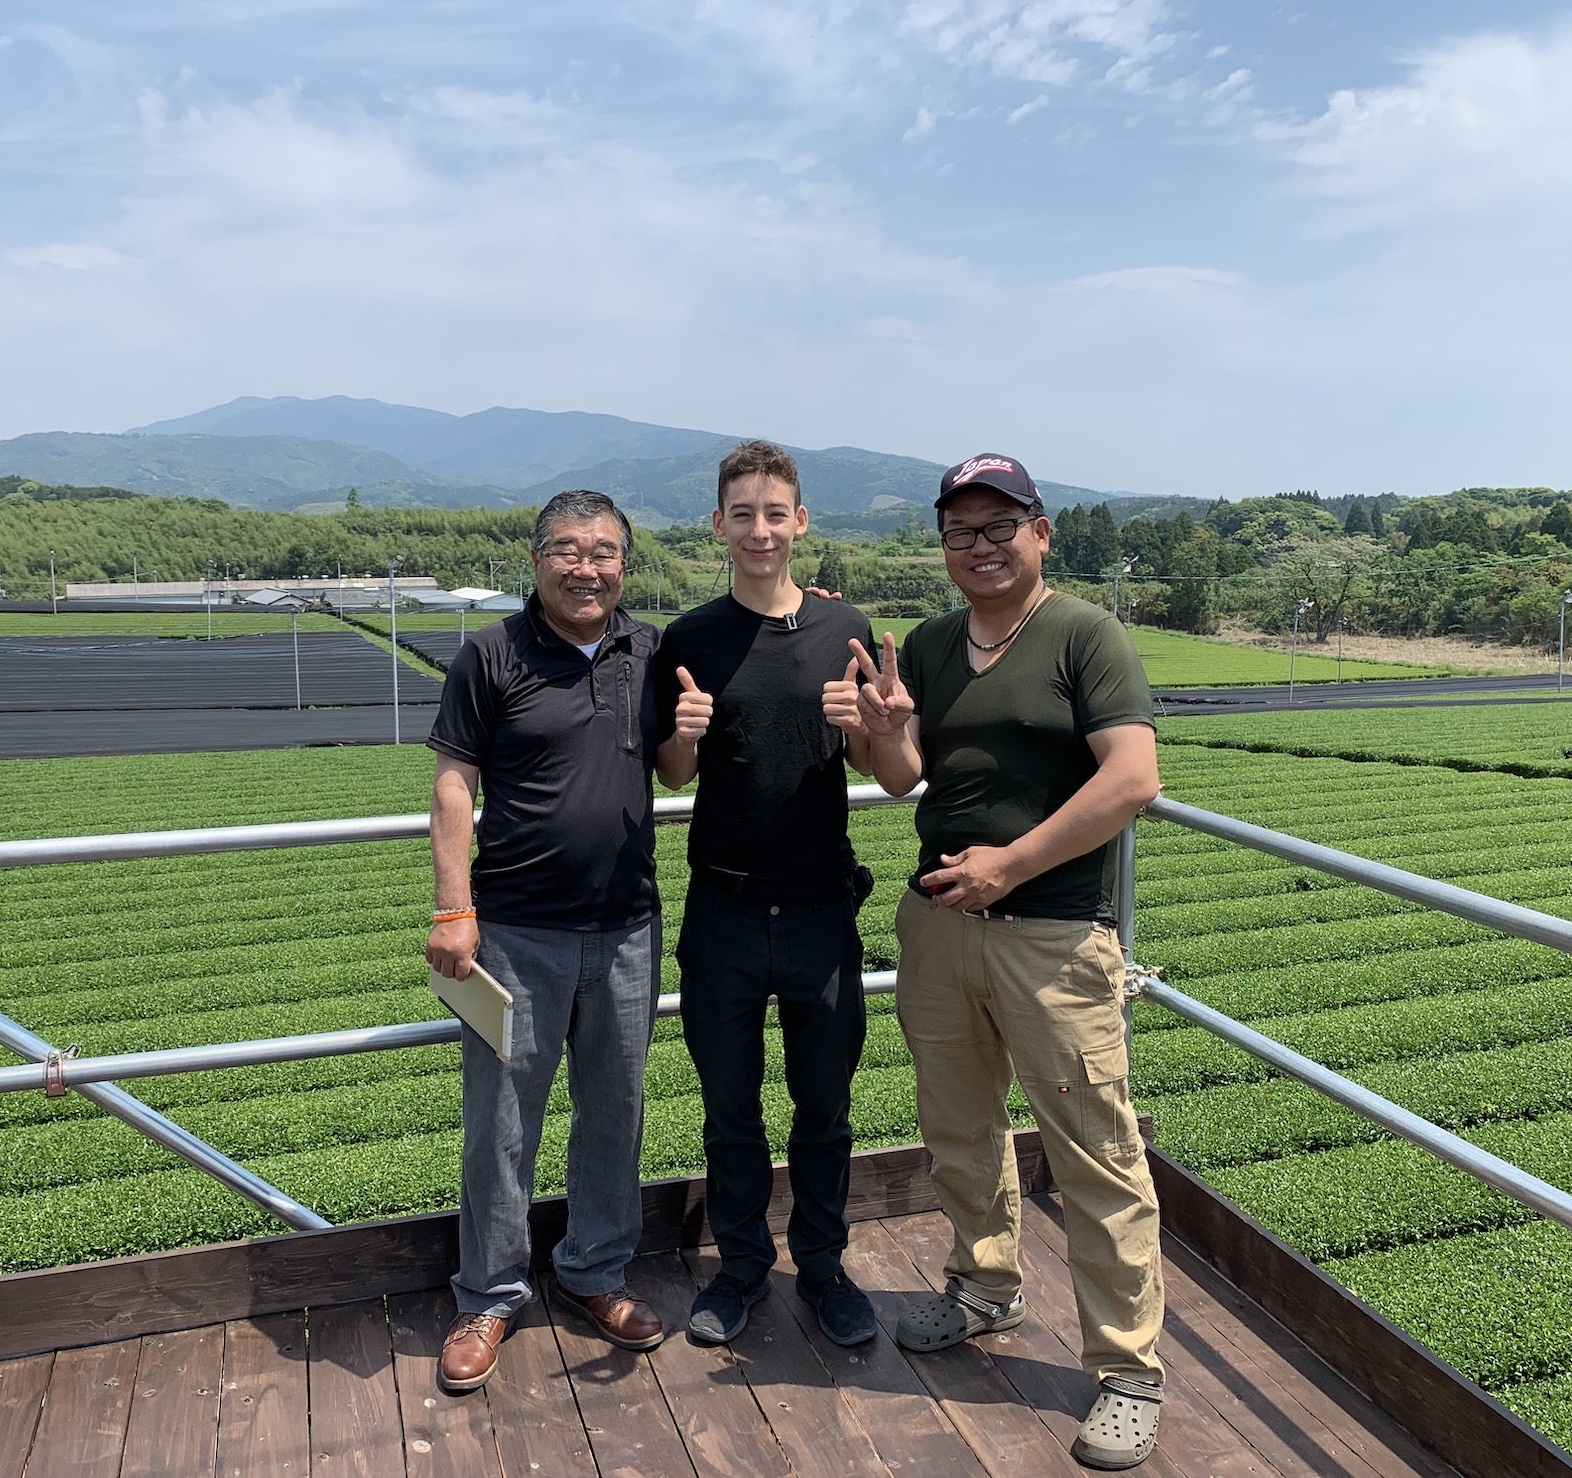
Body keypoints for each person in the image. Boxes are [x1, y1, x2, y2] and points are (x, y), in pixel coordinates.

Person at [842, 453, 1167, 1471]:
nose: (978, 549)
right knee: (957, 1120)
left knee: (1093, 1146)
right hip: (940, 927)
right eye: (958, 533)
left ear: (1039, 531)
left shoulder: (1084, 635)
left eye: (997, 528)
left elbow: (1132, 778)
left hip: (1055, 935)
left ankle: (1125, 1369)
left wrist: (1009, 866)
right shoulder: (935, 644)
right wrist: (882, 732)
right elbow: (903, 781)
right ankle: (984, 1286)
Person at [424, 489, 667, 1393]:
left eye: (603, 551)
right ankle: (488, 1293)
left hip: (629, 928)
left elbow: (675, 760)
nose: (586, 566)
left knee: (616, 1108)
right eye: (567, 549)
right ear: (536, 561)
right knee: (501, 1122)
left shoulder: (649, 650)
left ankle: (595, 1270)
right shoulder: (490, 655)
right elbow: (454, 787)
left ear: (623, 564)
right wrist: (455, 910)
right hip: (517, 932)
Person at [654, 440, 881, 1348]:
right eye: (741, 513)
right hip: (726, 911)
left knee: (825, 1107)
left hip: (823, 909)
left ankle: (823, 1267)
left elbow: (885, 766)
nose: (759, 529)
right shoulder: (691, 637)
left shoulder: (846, 628)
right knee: (731, 1108)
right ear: (718, 524)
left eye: (774, 513)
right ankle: (741, 1265)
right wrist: (683, 733)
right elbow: (673, 776)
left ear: (801, 522)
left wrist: (874, 724)